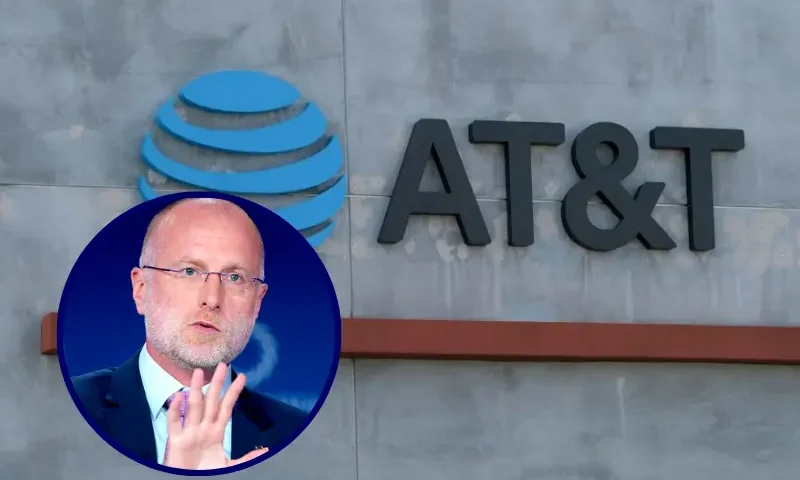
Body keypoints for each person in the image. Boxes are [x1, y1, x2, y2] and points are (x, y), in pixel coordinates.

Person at [70, 197, 308, 470]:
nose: (212, 299)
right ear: (141, 288)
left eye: (234, 278)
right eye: (190, 271)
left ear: (257, 302)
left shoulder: (295, 433)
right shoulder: (67, 407)